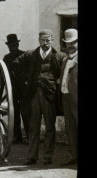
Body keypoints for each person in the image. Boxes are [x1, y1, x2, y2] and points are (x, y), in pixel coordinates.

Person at [25, 29, 65, 165]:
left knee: (49, 127)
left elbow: (62, 74)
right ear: (39, 40)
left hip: (50, 96)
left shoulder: (59, 56)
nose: (45, 43)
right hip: (34, 95)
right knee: (33, 127)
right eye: (43, 40)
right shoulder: (31, 55)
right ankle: (32, 156)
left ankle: (47, 157)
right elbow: (18, 65)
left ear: (52, 40)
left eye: (48, 40)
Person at [3, 33, 29, 143]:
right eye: (10, 46)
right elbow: (3, 73)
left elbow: (29, 71)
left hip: (24, 89)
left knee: (26, 113)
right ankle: (17, 136)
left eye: (14, 45)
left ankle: (29, 136)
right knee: (14, 113)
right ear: (8, 46)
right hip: (12, 90)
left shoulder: (24, 55)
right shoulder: (6, 58)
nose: (13, 47)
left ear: (17, 44)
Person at [60, 28, 78, 165]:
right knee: (70, 128)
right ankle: (73, 155)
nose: (71, 46)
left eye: (74, 43)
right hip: (66, 98)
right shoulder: (65, 59)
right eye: (68, 43)